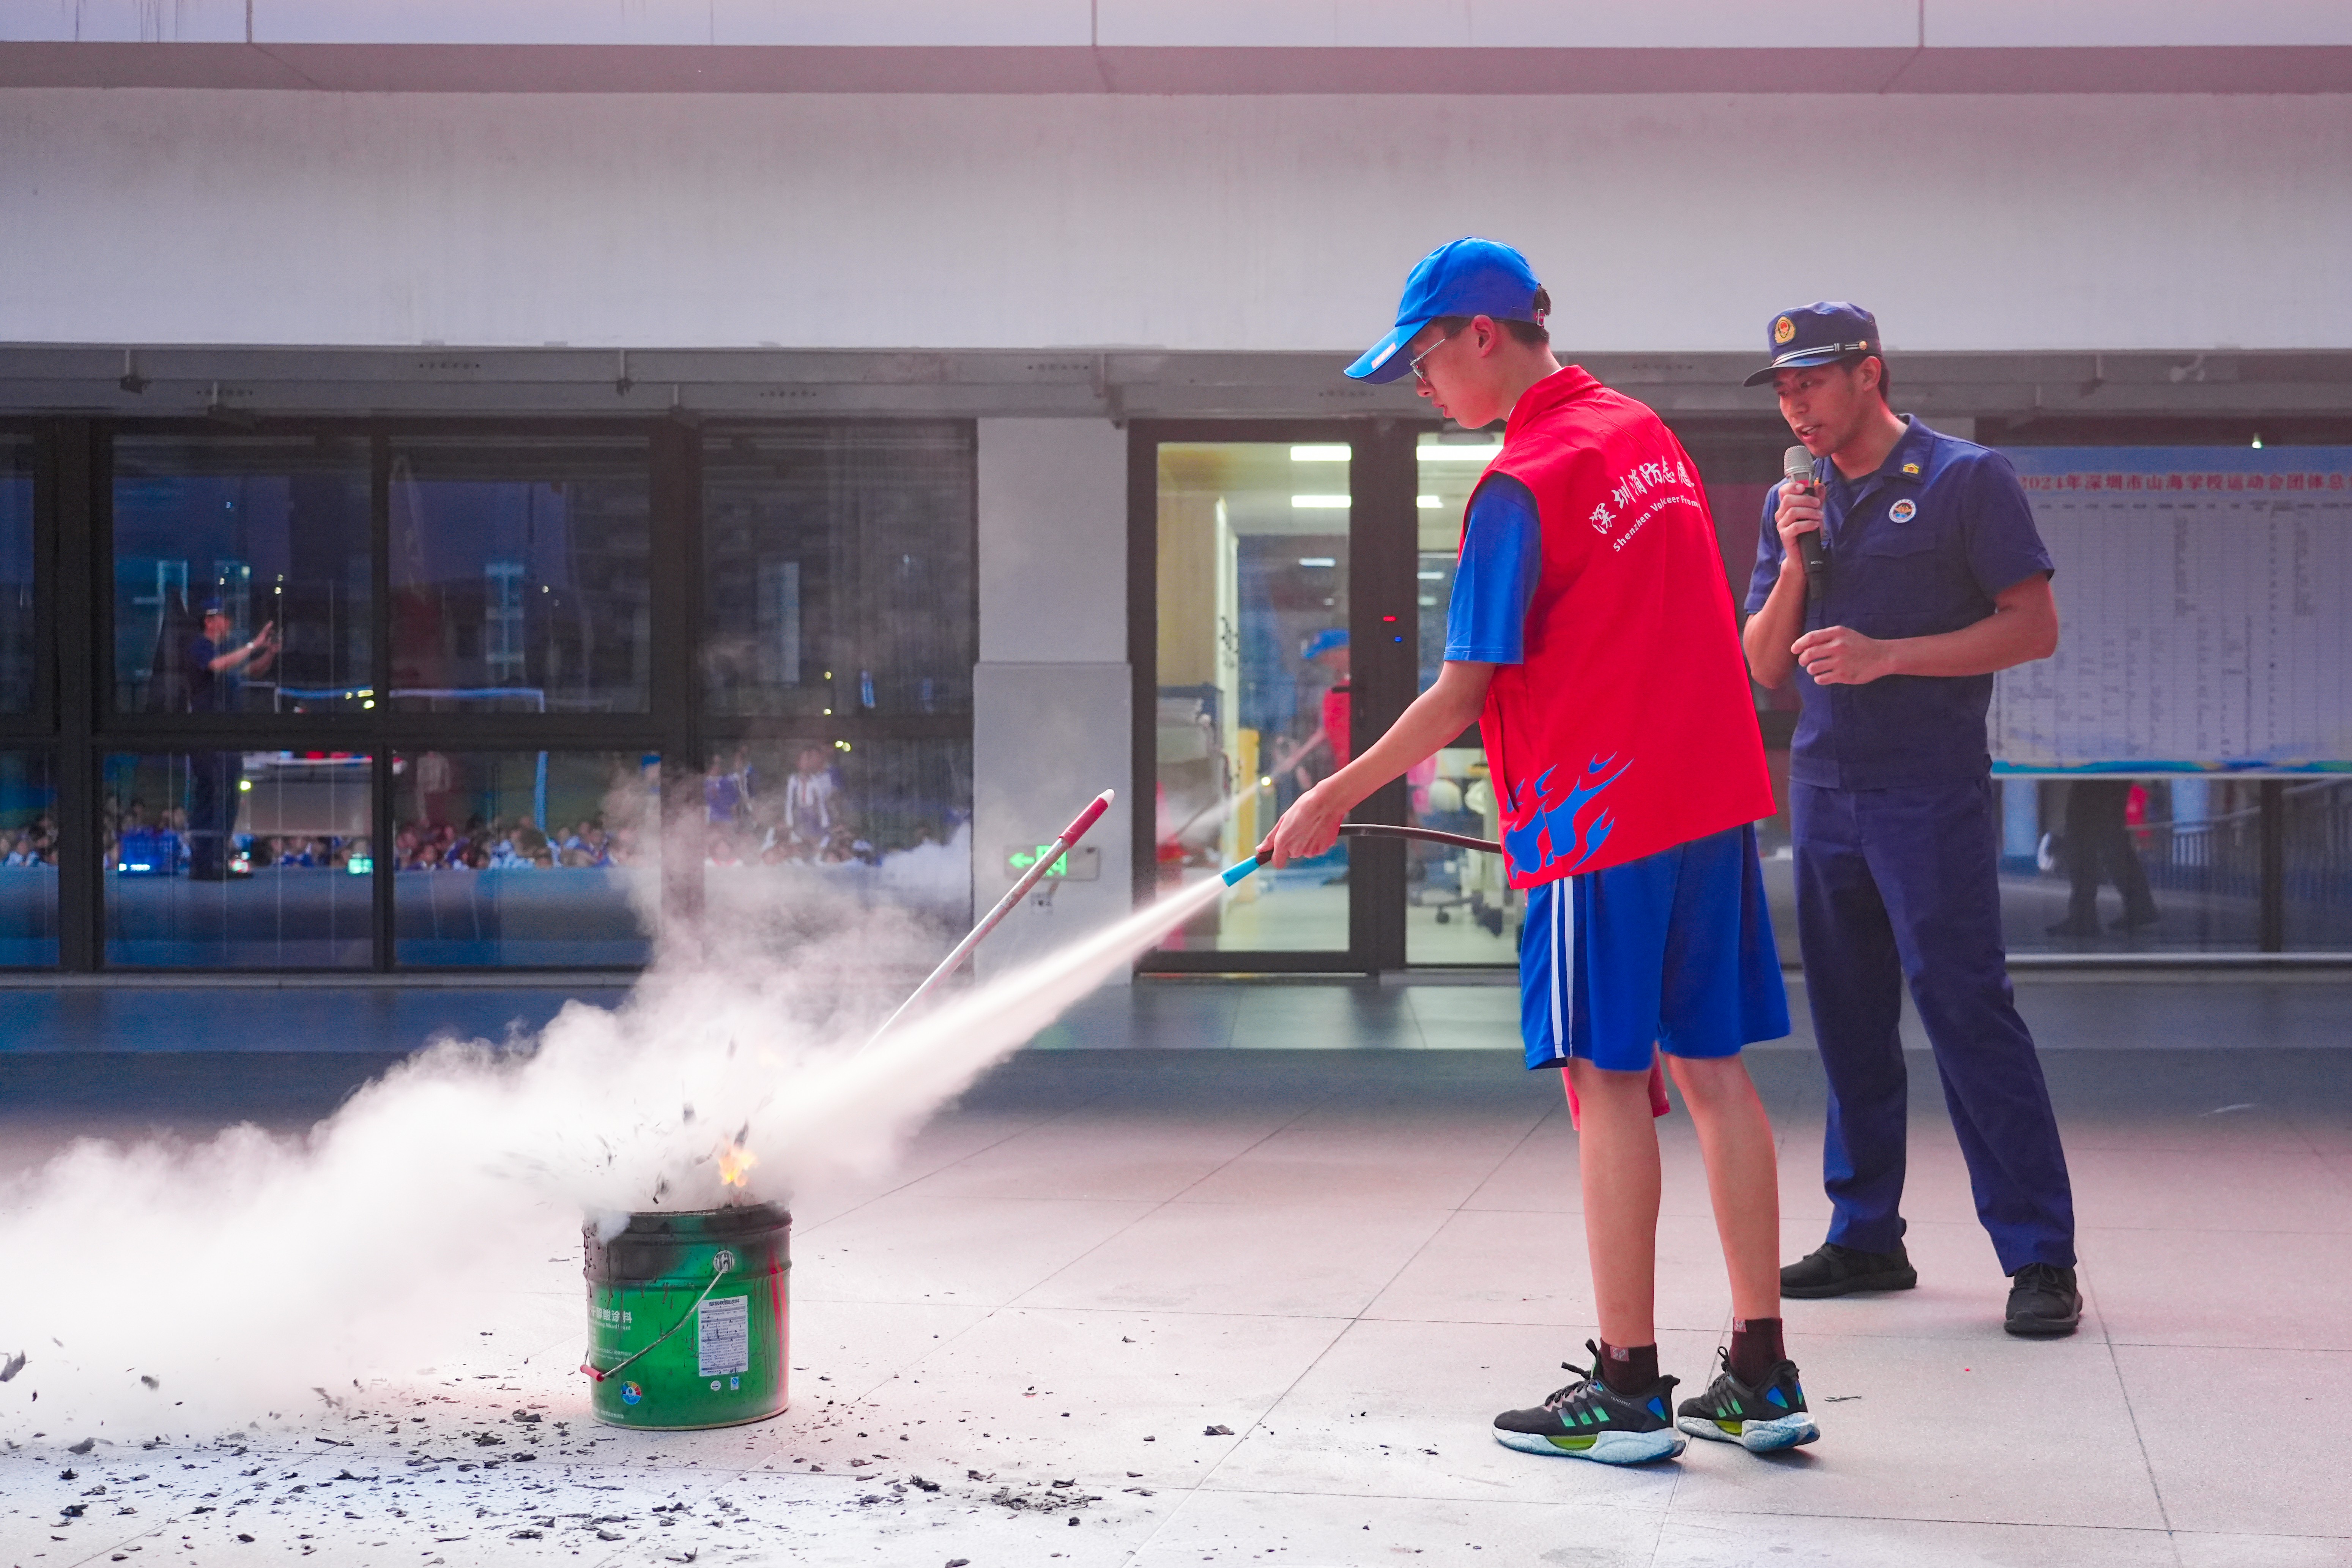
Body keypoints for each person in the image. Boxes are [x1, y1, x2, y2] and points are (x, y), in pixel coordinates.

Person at [1266, 238, 1810, 1465]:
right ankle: (1759, 1378)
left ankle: (1625, 1390)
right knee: (1715, 1075)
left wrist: (1333, 797)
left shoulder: (1521, 480)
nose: (1417, 386)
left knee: (1605, 1082)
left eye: (1419, 359)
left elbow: (1463, 691)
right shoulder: (1644, 439)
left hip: (1596, 823)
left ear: (1478, 335)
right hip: (1705, 802)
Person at [1739, 301, 2081, 1336]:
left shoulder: (1965, 479)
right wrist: (1795, 560)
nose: (1794, 403)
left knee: (1964, 1009)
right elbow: (1760, 667)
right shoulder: (1787, 501)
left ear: (1868, 374)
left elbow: (2032, 627)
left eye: (1810, 381)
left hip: (1927, 788)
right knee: (1846, 1018)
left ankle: (2038, 1255)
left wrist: (1889, 655)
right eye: (1781, 387)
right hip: (1824, 789)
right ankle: (1864, 1233)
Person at [181, 602, 279, 879]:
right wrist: (253, 644)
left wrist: (268, 653)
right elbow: (217, 666)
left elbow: (249, 672)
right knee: (213, 797)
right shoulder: (201, 647)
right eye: (224, 617)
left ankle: (215, 859)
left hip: (225, 736)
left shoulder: (226, 654)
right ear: (209, 621)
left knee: (226, 798)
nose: (229, 622)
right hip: (209, 737)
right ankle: (206, 863)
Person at [2050, 779, 2158, 936]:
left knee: (2083, 839)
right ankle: (2140, 906)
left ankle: (2084, 917)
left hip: (2095, 775)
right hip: (2112, 773)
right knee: (2112, 839)